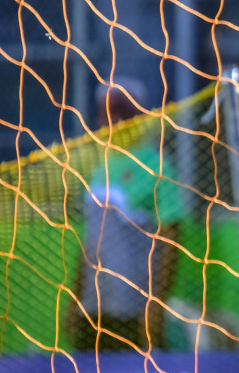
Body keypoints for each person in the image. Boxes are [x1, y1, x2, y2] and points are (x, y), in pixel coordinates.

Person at [71, 78, 186, 353]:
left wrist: (155, 307)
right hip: (94, 305)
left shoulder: (156, 166)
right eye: (105, 110)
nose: (112, 119)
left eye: (120, 110)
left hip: (134, 308)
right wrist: (74, 301)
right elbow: (90, 239)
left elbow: (171, 238)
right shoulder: (97, 167)